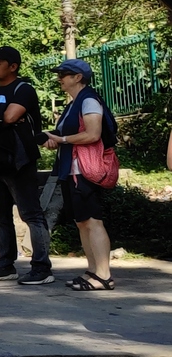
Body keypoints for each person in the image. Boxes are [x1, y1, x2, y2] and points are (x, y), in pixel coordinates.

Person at [0, 46, 53, 284]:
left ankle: (42, 268)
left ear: (13, 66)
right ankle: (5, 265)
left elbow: (10, 117)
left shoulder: (23, 89)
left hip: (19, 160)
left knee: (31, 215)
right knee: (0, 218)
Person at [43, 58, 118, 291]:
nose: (60, 78)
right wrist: (55, 139)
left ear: (78, 78)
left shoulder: (88, 100)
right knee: (82, 222)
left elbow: (93, 134)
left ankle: (104, 275)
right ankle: (93, 271)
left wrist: (63, 139)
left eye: (64, 74)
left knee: (92, 221)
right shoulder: (75, 103)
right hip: (73, 169)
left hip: (84, 170)